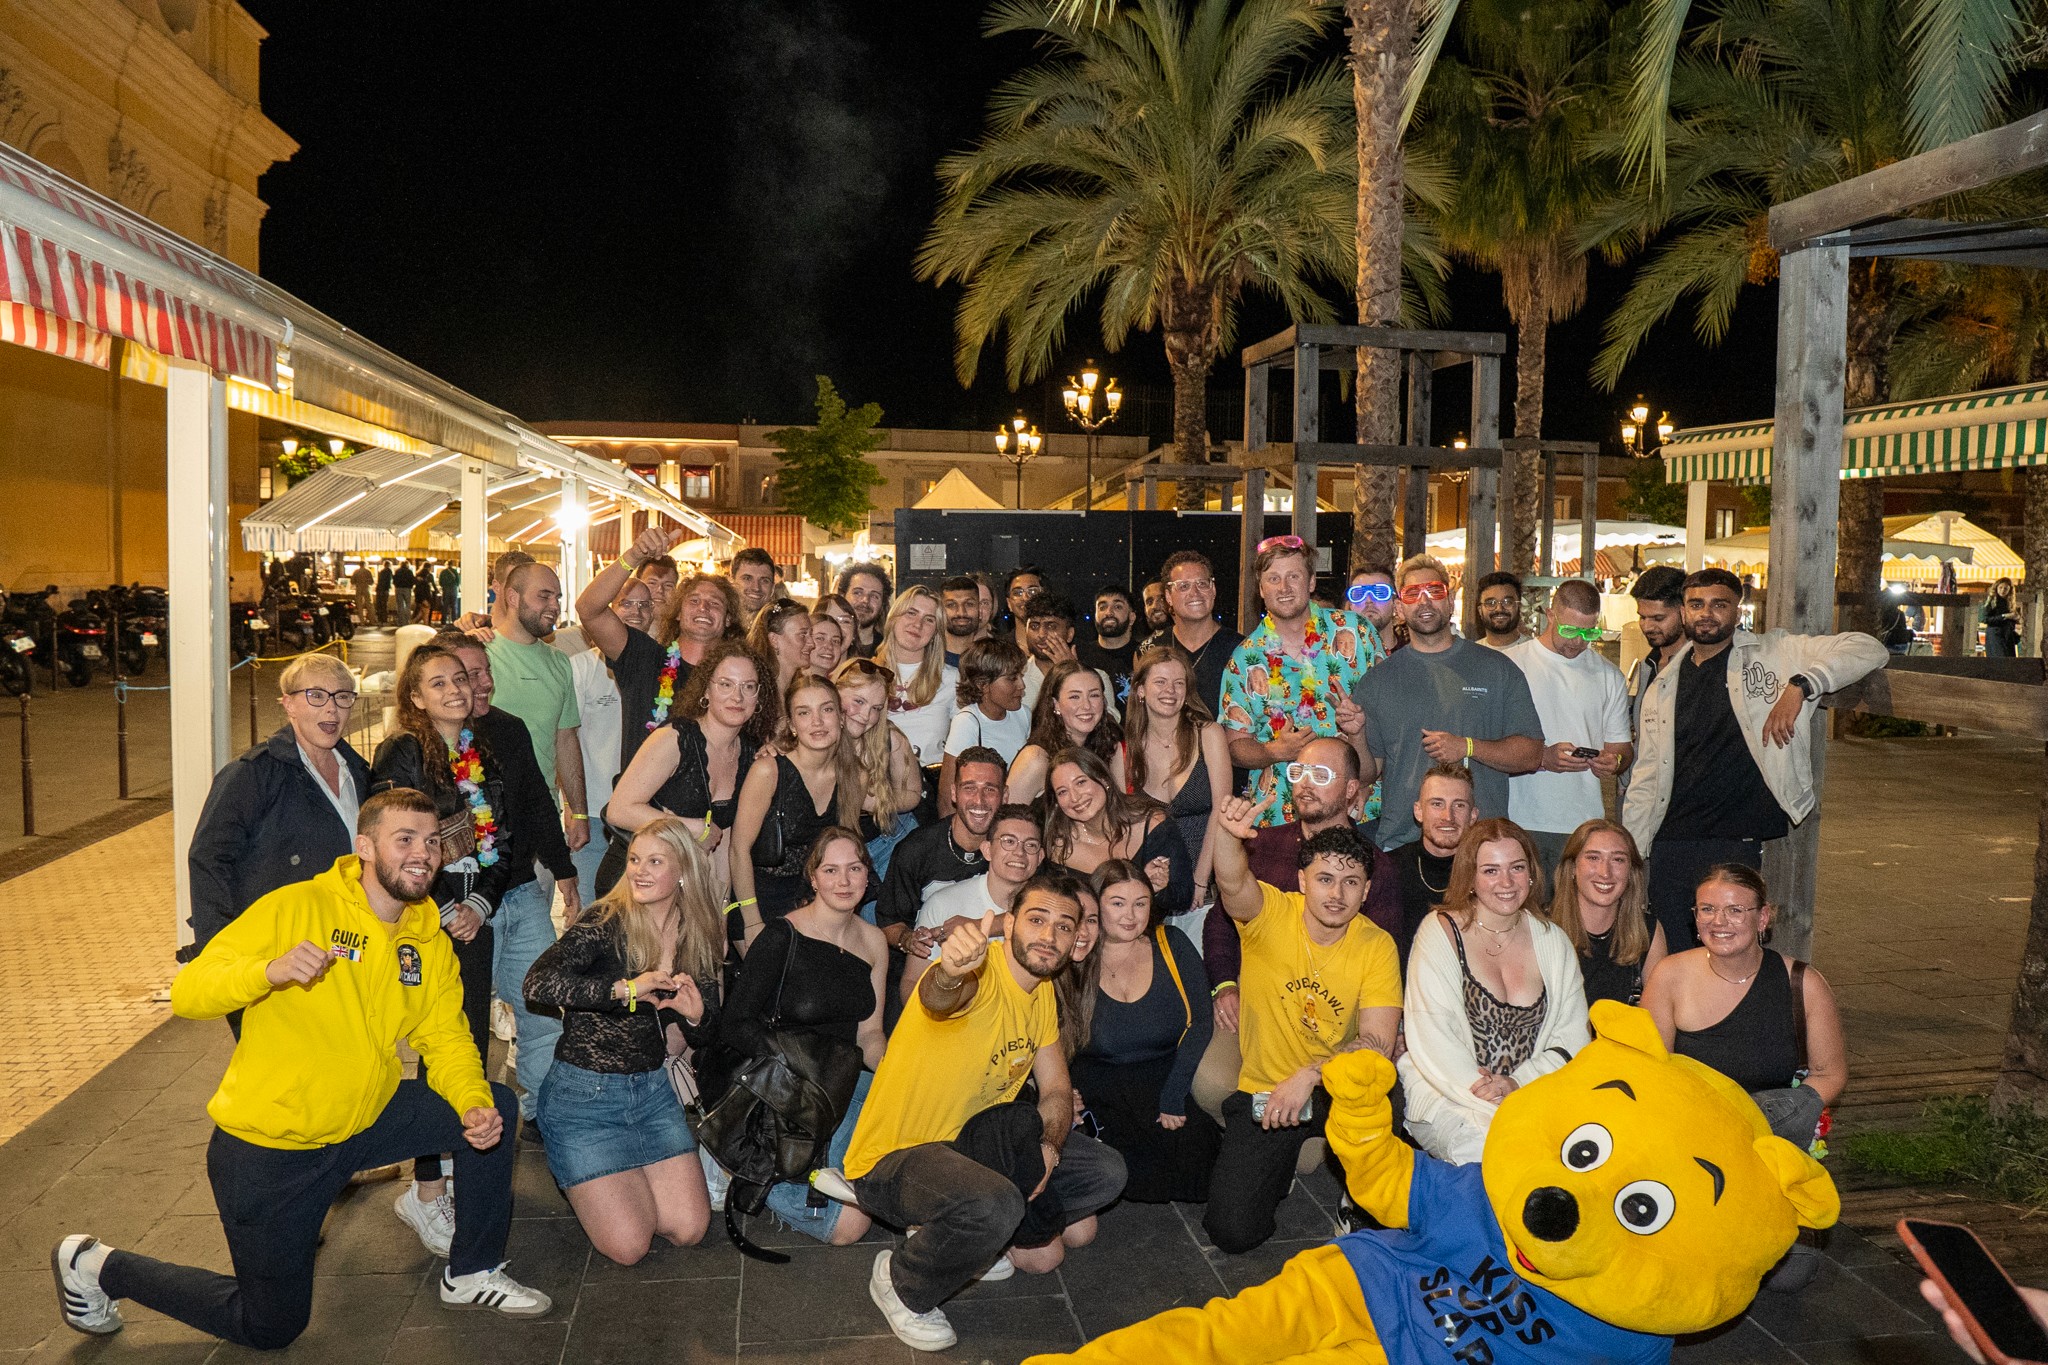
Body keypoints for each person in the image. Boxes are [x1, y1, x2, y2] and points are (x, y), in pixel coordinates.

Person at [51, 790, 549, 1346]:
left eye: (432, 841)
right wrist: (267, 972)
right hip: (272, 1151)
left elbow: (446, 1036)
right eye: (405, 839)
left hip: (362, 1121)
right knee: (270, 1326)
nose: (423, 854)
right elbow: (189, 991)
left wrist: (470, 1102)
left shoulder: (424, 937)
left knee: (494, 1106)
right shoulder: (297, 907)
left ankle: (471, 1272)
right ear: (365, 847)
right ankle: (96, 1264)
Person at [838, 871, 1128, 1351]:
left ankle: (968, 1238)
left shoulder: (1041, 992)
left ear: (1076, 938)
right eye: (1037, 920)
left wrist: (1050, 1149)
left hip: (971, 1149)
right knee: (997, 1205)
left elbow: (1057, 1089)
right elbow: (939, 994)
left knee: (1106, 1171)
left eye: (1063, 926)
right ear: (1008, 924)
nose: (1049, 935)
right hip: (895, 1159)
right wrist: (952, 970)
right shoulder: (979, 972)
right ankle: (901, 1282)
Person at [1622, 567, 1887, 951]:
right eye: (1696, 604)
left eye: (1719, 605)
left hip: (1736, 838)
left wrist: (1802, 685)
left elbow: (1868, 648)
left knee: (1728, 949)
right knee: (1672, 952)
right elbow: (1647, 772)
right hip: (1671, 838)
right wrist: (1630, 848)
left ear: (1738, 609)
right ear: (1683, 610)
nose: (1706, 613)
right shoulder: (1666, 682)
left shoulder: (1774, 653)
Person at [1201, 796, 1402, 1253]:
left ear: (1366, 891)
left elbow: (1376, 1042)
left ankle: (1358, 1193)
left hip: (1333, 1089)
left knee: (1389, 1096)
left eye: (1351, 882)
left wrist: (1311, 1076)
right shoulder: (1271, 913)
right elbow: (1232, 881)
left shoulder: (1376, 946)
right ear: (1302, 881)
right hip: (1266, 1093)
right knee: (1232, 1232)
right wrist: (1229, 837)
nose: (1337, 894)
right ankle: (1288, 1159)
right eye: (1325, 879)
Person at [522, 817, 723, 1265]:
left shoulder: (695, 931)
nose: (639, 871)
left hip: (652, 1094)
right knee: (630, 1246)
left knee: (689, 1229)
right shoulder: (606, 919)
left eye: (655, 862)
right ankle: (582, 1170)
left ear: (683, 871)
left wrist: (695, 1016)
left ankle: (616, 1182)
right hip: (583, 1100)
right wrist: (624, 990)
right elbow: (537, 983)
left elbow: (707, 1030)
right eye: (634, 859)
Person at [371, 644, 518, 1244]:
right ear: (414, 696)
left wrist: (481, 905)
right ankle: (426, 1188)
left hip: (471, 919)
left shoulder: (479, 752)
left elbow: (500, 840)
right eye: (439, 683)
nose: (456, 690)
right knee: (428, 1050)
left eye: (460, 679)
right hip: (423, 919)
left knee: (467, 1046)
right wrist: (440, 906)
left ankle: (451, 1162)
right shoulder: (403, 752)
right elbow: (397, 840)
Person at [1195, 738, 1410, 1118]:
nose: (1306, 783)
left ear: (1351, 789)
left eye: (1321, 774)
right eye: (1299, 772)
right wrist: (1225, 984)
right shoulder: (1261, 843)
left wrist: (1385, 1031)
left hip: (1336, 1013)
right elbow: (1224, 914)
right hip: (1258, 999)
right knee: (1210, 1086)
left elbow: (1385, 960)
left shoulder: (1376, 867)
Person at [709, 829, 886, 1245]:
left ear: (867, 874)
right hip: (783, 1086)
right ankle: (752, 1173)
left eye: (854, 868)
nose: (844, 881)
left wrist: (895, 1074)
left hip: (840, 1079)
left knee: (903, 1104)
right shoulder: (781, 936)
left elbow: (870, 1033)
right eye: (831, 870)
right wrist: (798, 1070)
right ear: (814, 878)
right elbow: (735, 1024)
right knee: (849, 1227)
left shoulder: (874, 940)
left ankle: (827, 1171)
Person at [1398, 818, 1590, 1166]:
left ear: (1531, 873)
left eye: (1517, 867)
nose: (1506, 882)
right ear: (1470, 877)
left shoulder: (1554, 941)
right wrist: (1494, 1103)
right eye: (1491, 870)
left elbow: (1573, 1040)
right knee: (1494, 1153)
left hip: (1533, 1095)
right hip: (1449, 1095)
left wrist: (1517, 1084)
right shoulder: (1439, 932)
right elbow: (1434, 1038)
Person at [185, 653, 372, 982]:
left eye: (343, 697)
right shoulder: (252, 774)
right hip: (280, 954)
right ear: (289, 704)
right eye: (316, 696)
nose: (331, 709)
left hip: (342, 947)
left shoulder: (358, 772)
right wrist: (223, 959)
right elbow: (209, 860)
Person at [1641, 862, 1845, 1150]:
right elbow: (1651, 1068)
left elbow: (1829, 1074)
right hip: (1690, 1135)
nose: (1719, 921)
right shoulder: (1668, 976)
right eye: (1707, 909)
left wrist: (1775, 1114)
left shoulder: (1804, 984)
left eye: (1735, 910)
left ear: (1762, 918)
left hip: (1771, 1139)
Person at [1353, 553, 1544, 851]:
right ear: (1400, 608)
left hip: (1481, 845)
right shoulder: (1377, 681)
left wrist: (1468, 746)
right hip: (1402, 844)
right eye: (1412, 594)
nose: (1424, 601)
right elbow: (1367, 773)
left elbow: (1531, 754)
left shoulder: (1497, 668)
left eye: (1434, 591)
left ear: (1451, 600)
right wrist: (1355, 733)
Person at [1071, 860, 1219, 1203]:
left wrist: (1174, 1093)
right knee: (1131, 1176)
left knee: (1201, 1162)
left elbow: (1200, 1021)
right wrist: (1066, 1092)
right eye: (1117, 903)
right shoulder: (1077, 956)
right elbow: (1053, 1033)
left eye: (1140, 903)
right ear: (1095, 906)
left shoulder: (1170, 943)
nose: (1130, 915)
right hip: (1101, 1083)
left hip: (1163, 1075)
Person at [1219, 535, 1382, 828]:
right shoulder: (1245, 658)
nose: (1284, 588)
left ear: (1311, 582)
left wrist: (1369, 779)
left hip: (1356, 811)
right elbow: (1235, 745)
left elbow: (1391, 725)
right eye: (1273, 579)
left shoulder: (1357, 633)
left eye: (1293, 576)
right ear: (1261, 589)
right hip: (1279, 817)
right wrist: (1274, 751)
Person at [602, 640, 774, 900]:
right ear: (706, 690)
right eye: (725, 684)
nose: (737, 697)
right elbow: (618, 810)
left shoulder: (751, 754)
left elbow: (724, 843)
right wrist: (690, 827)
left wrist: (721, 910)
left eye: (748, 686)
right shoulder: (674, 738)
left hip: (688, 894)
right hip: (632, 884)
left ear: (759, 697)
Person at [578, 527, 736, 773]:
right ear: (678, 613)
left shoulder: (736, 677)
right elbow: (589, 609)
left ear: (728, 619)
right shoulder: (644, 657)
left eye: (714, 603)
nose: (703, 608)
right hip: (641, 796)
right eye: (694, 601)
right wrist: (634, 555)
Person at [1503, 579, 1634, 874]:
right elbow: (1487, 743)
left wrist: (1614, 762)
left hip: (1583, 822)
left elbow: (1622, 748)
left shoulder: (1608, 674)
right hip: (1518, 817)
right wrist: (1541, 758)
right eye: (1570, 630)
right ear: (1550, 615)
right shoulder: (1511, 664)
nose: (1577, 642)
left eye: (1588, 632)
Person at [731, 670, 867, 952]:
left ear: (841, 718)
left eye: (826, 710)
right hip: (759, 902)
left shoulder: (855, 776)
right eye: (804, 713)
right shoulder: (768, 771)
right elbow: (738, 850)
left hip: (817, 905)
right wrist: (752, 922)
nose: (817, 722)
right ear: (792, 725)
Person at [899, 803, 1043, 1004]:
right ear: (987, 850)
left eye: (1030, 845)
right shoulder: (944, 903)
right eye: (1009, 841)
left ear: (1040, 857)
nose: (1020, 852)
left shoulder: (1049, 909)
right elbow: (912, 983)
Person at [567, 574, 654, 903]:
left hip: (644, 814)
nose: (636, 612)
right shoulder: (581, 667)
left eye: (644, 605)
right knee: (591, 910)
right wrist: (573, 808)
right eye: (626, 603)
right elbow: (566, 738)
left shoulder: (664, 665)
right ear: (610, 609)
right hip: (592, 813)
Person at [1124, 646, 1231, 911]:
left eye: (1178, 683)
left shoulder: (1209, 734)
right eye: (1160, 682)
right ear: (1140, 690)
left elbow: (1222, 810)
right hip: (1148, 891)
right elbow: (1121, 826)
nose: (1170, 690)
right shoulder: (1125, 749)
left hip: (1207, 886)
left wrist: (1200, 881)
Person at [878, 746, 1004, 961]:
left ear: (1005, 795)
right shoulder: (917, 849)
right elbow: (889, 922)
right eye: (969, 788)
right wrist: (908, 939)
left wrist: (976, 926)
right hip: (930, 961)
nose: (979, 800)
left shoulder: (1014, 847)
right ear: (954, 793)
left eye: (990, 789)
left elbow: (1038, 909)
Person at [1043, 746, 1195, 921]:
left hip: (1146, 933)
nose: (1075, 797)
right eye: (1062, 792)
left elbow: (1183, 897)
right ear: (1057, 802)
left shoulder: (1152, 824)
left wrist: (1156, 889)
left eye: (1081, 782)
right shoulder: (1059, 849)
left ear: (1104, 779)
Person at [1549, 818, 1666, 1008]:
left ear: (1631, 872)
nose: (1605, 872)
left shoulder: (1648, 930)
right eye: (1593, 858)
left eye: (1618, 860)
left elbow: (1659, 1014)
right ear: (1572, 868)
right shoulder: (1542, 928)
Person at [830, 656, 924, 878]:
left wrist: (876, 802)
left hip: (892, 839)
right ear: (834, 693)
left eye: (876, 708)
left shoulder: (890, 738)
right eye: (858, 701)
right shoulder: (816, 738)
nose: (866, 716)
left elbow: (913, 794)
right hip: (840, 851)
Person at [1381, 762, 1477, 963]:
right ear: (1418, 811)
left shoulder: (1487, 873)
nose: (1448, 816)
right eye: (1436, 804)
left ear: (1473, 816)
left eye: (1459, 805)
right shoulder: (1389, 868)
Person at [874, 585, 959, 810]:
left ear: (936, 632)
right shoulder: (864, 673)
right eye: (911, 613)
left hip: (928, 797)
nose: (917, 624)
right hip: (872, 793)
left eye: (929, 619)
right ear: (893, 617)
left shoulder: (952, 680)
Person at [1006, 659, 1126, 804]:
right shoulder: (1036, 758)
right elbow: (1007, 815)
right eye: (1075, 697)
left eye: (1094, 695)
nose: (1086, 706)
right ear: (1055, 704)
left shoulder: (1108, 747)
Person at [1622, 565, 1687, 807]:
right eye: (1642, 617)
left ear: (1684, 612)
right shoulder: (1647, 666)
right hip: (1642, 795)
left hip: (1683, 800)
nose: (1647, 627)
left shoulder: (1699, 667)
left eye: (1658, 618)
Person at [1150, 550, 1244, 717]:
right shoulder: (1150, 650)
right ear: (1168, 596)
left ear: (1213, 589)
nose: (1195, 593)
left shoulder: (1241, 649)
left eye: (1202, 584)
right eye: (1184, 586)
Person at [941, 638, 1030, 803]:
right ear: (982, 684)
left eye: (1021, 676)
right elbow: (947, 798)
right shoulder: (966, 722)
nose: (1021, 685)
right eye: (1012, 678)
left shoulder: (1023, 714)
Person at [1021, 593, 1118, 714]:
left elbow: (1109, 722)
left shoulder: (1098, 677)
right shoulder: (1016, 677)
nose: (1041, 634)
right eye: (1034, 626)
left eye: (1051, 626)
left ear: (1070, 634)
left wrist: (1072, 674)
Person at [1078, 585, 1139, 700]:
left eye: (1117, 607)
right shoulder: (1080, 656)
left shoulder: (1144, 654)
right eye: (1102, 607)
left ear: (1132, 617)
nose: (1109, 612)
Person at [747, 598, 814, 694]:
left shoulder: (800, 690)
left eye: (811, 634)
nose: (812, 643)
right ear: (774, 639)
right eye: (802, 635)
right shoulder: (757, 692)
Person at [836, 561, 892, 659]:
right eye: (857, 593)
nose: (865, 600)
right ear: (842, 596)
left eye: (874, 596)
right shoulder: (827, 644)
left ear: (882, 604)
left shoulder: (888, 650)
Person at [1346, 564, 1400, 648]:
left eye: (1379, 593)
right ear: (1350, 606)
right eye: (1359, 594)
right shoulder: (1336, 655)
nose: (1369, 600)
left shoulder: (1412, 655)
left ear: (1395, 604)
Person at [1473, 570, 1528, 649]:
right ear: (1480, 610)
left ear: (1519, 606)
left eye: (1507, 602)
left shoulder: (1536, 653)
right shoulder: (1471, 653)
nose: (1499, 609)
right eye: (1491, 603)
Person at [998, 564, 1046, 651]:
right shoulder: (999, 649)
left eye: (1032, 591)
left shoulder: (1058, 646)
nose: (1025, 597)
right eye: (1018, 593)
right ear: (1009, 603)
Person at [939, 574, 982, 666]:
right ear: (940, 610)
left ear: (979, 610)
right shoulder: (927, 661)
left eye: (969, 604)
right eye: (951, 605)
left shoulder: (989, 661)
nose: (961, 613)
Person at [729, 546, 777, 621]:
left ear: (772, 588)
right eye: (747, 578)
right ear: (731, 581)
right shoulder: (717, 622)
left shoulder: (781, 625)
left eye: (764, 581)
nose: (756, 588)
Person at [1985, 576, 2020, 657]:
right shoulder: (1992, 602)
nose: (2002, 590)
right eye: (2000, 587)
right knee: (2000, 659)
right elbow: (1987, 619)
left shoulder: (2010, 603)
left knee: (2008, 660)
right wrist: (2005, 616)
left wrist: (2015, 618)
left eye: (2005, 588)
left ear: (2009, 590)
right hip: (1995, 635)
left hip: (2007, 636)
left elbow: (2012, 622)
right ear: (1996, 588)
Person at [392, 558, 415, 628]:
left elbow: (394, 580)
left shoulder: (397, 571)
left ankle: (401, 622)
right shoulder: (409, 571)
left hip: (398, 588)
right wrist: (411, 586)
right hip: (407, 589)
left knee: (400, 605)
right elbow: (413, 580)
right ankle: (407, 621)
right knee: (407, 605)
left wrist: (396, 586)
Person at [374, 559, 392, 625]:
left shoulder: (381, 571)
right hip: (384, 590)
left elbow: (379, 581)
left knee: (379, 605)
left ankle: (380, 619)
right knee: (384, 605)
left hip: (379, 589)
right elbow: (388, 581)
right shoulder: (389, 571)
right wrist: (388, 588)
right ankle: (384, 619)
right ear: (389, 565)